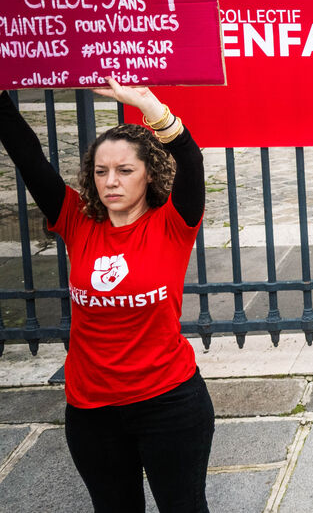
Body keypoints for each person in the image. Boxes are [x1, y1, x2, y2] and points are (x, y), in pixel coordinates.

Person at [0, 81, 214, 511]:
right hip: (91, 409)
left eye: (125, 170)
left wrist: (148, 104)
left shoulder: (173, 222)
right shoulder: (75, 218)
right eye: (101, 172)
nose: (111, 182)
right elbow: (27, 154)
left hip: (169, 403)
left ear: (149, 174)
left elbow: (190, 159)